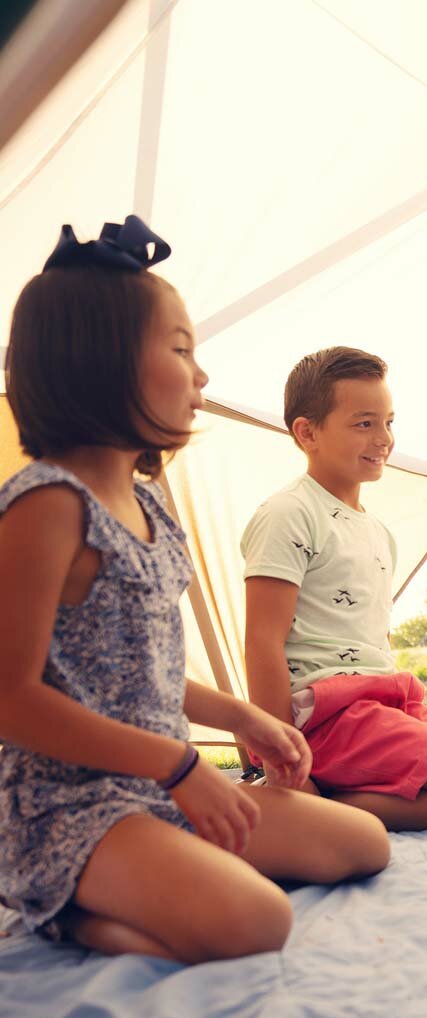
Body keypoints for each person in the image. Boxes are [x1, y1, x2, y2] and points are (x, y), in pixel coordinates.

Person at [0, 217, 391, 962]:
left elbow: (141, 673)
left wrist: (242, 716)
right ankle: (59, 908)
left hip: (158, 789)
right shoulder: (46, 506)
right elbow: (10, 696)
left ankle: (167, 880)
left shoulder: (148, 508)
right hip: (69, 810)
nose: (201, 376)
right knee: (255, 922)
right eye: (181, 350)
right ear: (99, 364)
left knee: (362, 842)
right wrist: (181, 767)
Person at [241, 346, 427, 831]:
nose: (384, 439)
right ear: (307, 432)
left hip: (385, 703)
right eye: (364, 424)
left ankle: (336, 793)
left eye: (388, 422)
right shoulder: (289, 513)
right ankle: (298, 799)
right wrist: (281, 756)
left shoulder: (376, 531)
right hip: (326, 716)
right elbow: (262, 640)